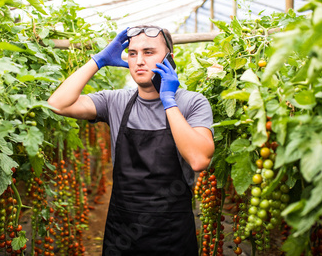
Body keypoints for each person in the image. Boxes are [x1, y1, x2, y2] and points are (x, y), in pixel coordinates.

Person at [48, 26, 214, 256]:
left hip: (171, 232)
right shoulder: (114, 101)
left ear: (169, 59)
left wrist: (169, 100)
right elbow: (57, 104)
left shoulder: (192, 103)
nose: (139, 61)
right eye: (133, 53)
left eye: (148, 52)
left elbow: (198, 159)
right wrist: (99, 60)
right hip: (122, 230)